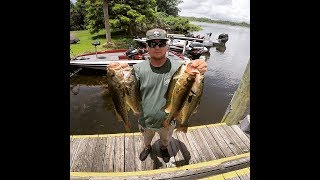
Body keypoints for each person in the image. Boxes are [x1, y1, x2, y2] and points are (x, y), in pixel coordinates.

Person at [132, 28, 207, 163]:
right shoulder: (137, 69)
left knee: (166, 140)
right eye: (152, 44)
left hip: (169, 121)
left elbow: (193, 80)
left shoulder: (179, 68)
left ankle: (164, 148)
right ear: (146, 47)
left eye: (161, 43)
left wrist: (198, 69)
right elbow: (132, 94)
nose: (157, 47)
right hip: (145, 120)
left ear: (167, 45)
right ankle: (147, 147)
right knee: (146, 138)